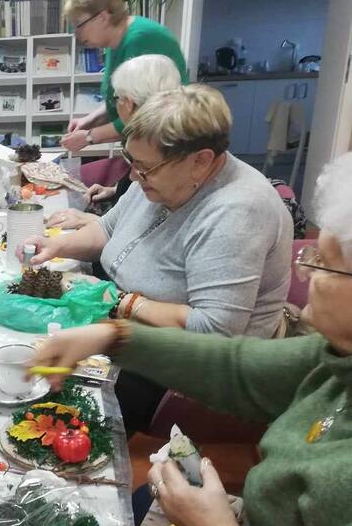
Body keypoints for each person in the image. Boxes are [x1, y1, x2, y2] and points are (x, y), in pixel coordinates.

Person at [28, 152, 352, 526]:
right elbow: (236, 369)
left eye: (325, 264)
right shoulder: (335, 360)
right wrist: (111, 336)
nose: (304, 273)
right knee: (135, 503)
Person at [20, 85, 293, 433]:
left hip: (190, 375)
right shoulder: (163, 175)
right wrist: (55, 246)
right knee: (34, 339)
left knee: (54, 401)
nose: (135, 176)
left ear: (201, 161)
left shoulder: (238, 213)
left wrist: (121, 302)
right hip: (130, 325)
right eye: (132, 162)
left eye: (146, 168)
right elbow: (108, 228)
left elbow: (213, 332)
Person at [48, 54, 184, 229]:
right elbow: (140, 193)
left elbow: (149, 229)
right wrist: (116, 191)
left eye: (116, 98)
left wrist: (91, 221)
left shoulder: (159, 148)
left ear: (129, 103)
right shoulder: (161, 137)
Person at [60, 0, 187, 154]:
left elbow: (143, 115)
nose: (77, 34)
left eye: (79, 26)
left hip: (164, 150)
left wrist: (89, 136)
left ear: (102, 17)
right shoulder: (114, 41)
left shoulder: (141, 39)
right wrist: (90, 120)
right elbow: (122, 101)